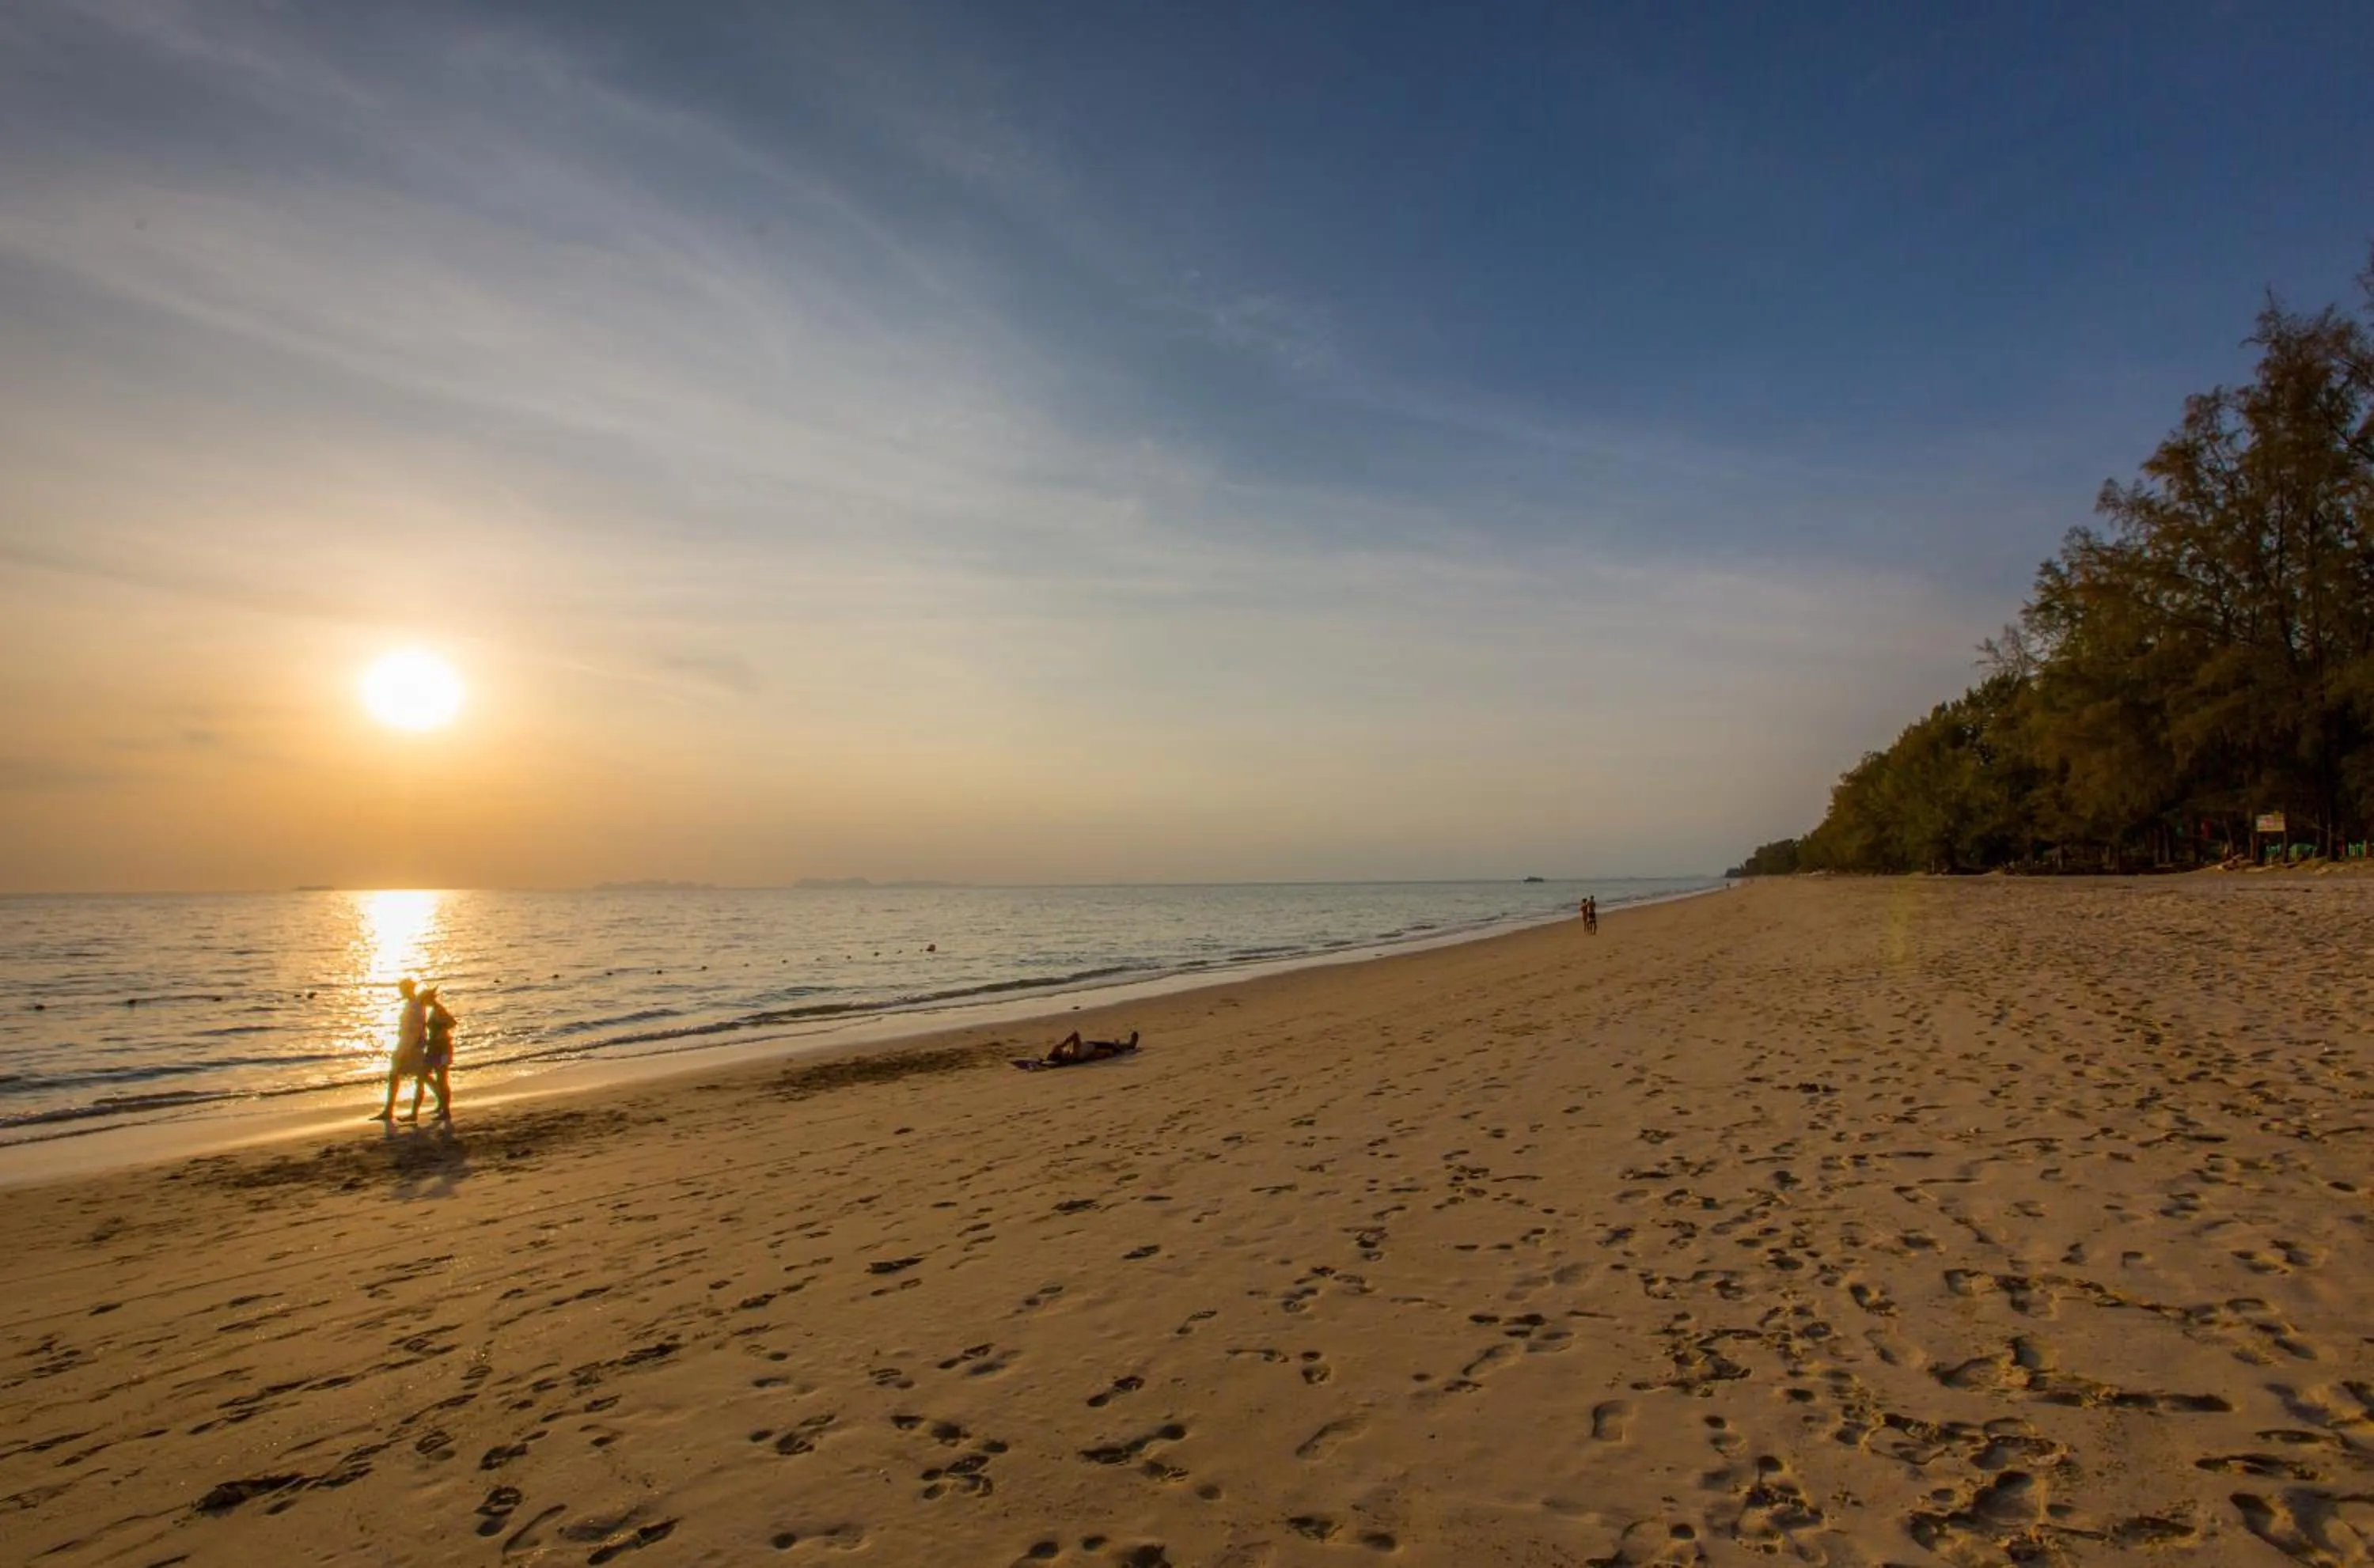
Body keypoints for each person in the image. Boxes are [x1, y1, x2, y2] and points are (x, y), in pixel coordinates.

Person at [374, 978, 429, 1120]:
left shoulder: (416, 1006)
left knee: (415, 1078)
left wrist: (405, 1051)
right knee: (418, 1077)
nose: (401, 992)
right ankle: (389, 1110)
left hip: (411, 1047)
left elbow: (416, 1030)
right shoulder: (413, 1004)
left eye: (402, 989)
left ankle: (394, 1111)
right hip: (408, 1044)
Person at [406, 986, 457, 1122]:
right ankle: (415, 1113)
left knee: (441, 1081)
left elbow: (452, 1022)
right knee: (422, 1077)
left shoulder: (439, 1010)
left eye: (424, 1000)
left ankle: (445, 1111)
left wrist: (440, 1029)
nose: (422, 1002)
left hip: (442, 1048)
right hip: (434, 1048)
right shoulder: (434, 1010)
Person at [1047, 1028, 1139, 1066]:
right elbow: (1075, 1034)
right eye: (1059, 1050)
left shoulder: (1071, 1054)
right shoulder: (1074, 1055)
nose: (1061, 1049)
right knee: (1112, 1048)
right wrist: (1064, 1044)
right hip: (1095, 1047)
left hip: (1093, 1047)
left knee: (1111, 1047)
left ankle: (1124, 1045)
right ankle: (1130, 1045)